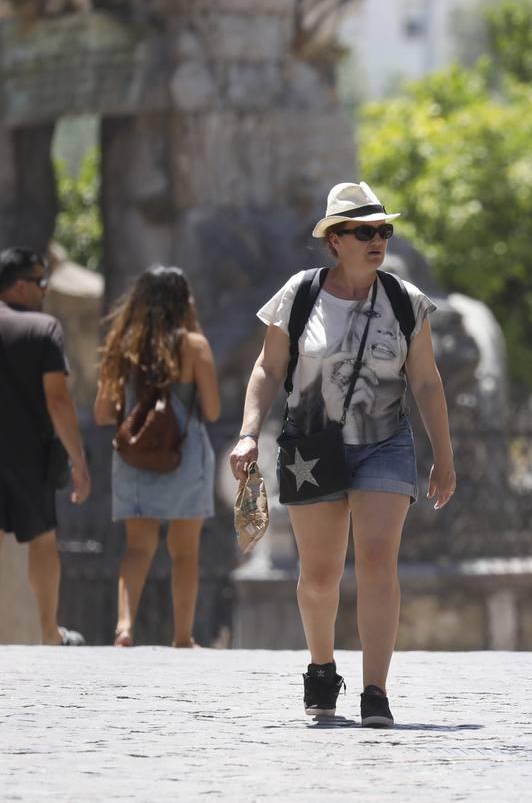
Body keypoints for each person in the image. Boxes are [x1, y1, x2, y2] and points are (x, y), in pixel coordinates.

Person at [229, 180, 455, 727]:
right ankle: (322, 668)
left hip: (385, 444)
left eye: (384, 230)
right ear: (335, 241)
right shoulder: (299, 296)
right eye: (363, 231)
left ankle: (375, 690)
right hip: (312, 445)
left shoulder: (405, 300)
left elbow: (426, 382)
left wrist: (444, 458)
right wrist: (248, 431)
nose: (377, 240)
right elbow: (268, 368)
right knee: (320, 575)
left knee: (378, 562)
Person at [0, 247, 91, 645]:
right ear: (21, 285)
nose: (45, 290)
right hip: (31, 455)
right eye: (41, 282)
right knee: (42, 539)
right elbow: (58, 400)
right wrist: (78, 460)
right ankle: (47, 632)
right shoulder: (45, 330)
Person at [93, 266, 220, 648]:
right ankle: (182, 636)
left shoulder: (123, 347)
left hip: (135, 454)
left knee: (137, 547)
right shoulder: (195, 346)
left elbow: (101, 413)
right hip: (184, 454)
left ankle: (125, 626)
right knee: (185, 552)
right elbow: (212, 411)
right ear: (183, 302)